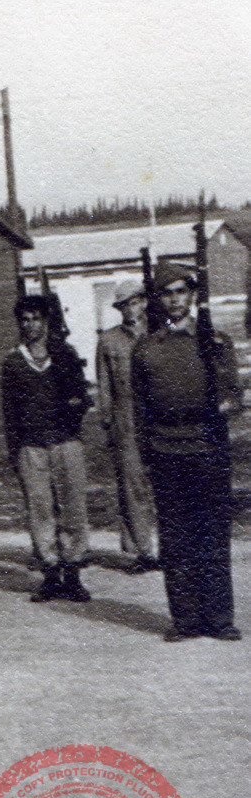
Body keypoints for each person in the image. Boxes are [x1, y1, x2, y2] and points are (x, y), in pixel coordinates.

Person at [132, 264, 242, 641]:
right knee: (176, 537)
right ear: (158, 300)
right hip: (166, 448)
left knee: (212, 534)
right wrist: (145, 453)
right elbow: (140, 407)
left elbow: (234, 393)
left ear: (192, 296)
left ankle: (219, 618)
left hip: (208, 447)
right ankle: (186, 620)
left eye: (181, 291)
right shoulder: (147, 348)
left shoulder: (215, 341)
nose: (175, 299)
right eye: (167, 293)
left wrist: (227, 404)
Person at [1, 295, 92, 603]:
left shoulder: (65, 354)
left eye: (36, 319)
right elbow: (10, 411)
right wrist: (15, 451)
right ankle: (51, 574)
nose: (30, 325)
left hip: (66, 442)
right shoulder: (14, 362)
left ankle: (73, 574)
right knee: (40, 510)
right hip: (32, 446)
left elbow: (81, 397)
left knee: (73, 507)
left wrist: (73, 410)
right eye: (25, 320)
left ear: (46, 321)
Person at [95, 285, 159, 574]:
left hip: (159, 415)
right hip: (126, 418)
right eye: (124, 305)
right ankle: (142, 551)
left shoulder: (158, 333)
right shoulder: (109, 340)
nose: (130, 309)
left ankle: (172, 548)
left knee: (166, 482)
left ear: (143, 303)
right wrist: (108, 422)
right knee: (132, 485)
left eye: (134, 302)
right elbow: (104, 385)